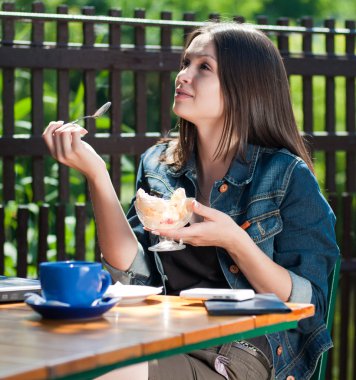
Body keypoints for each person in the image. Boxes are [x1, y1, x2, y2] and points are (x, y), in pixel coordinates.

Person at [43, 22, 339, 380]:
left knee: (102, 373)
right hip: (165, 334)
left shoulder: (286, 175)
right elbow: (133, 271)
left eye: (204, 67)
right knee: (53, 354)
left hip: (240, 351)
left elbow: (309, 304)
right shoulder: (158, 164)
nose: (183, 75)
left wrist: (234, 240)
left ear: (243, 87)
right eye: (185, 63)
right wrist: (96, 174)